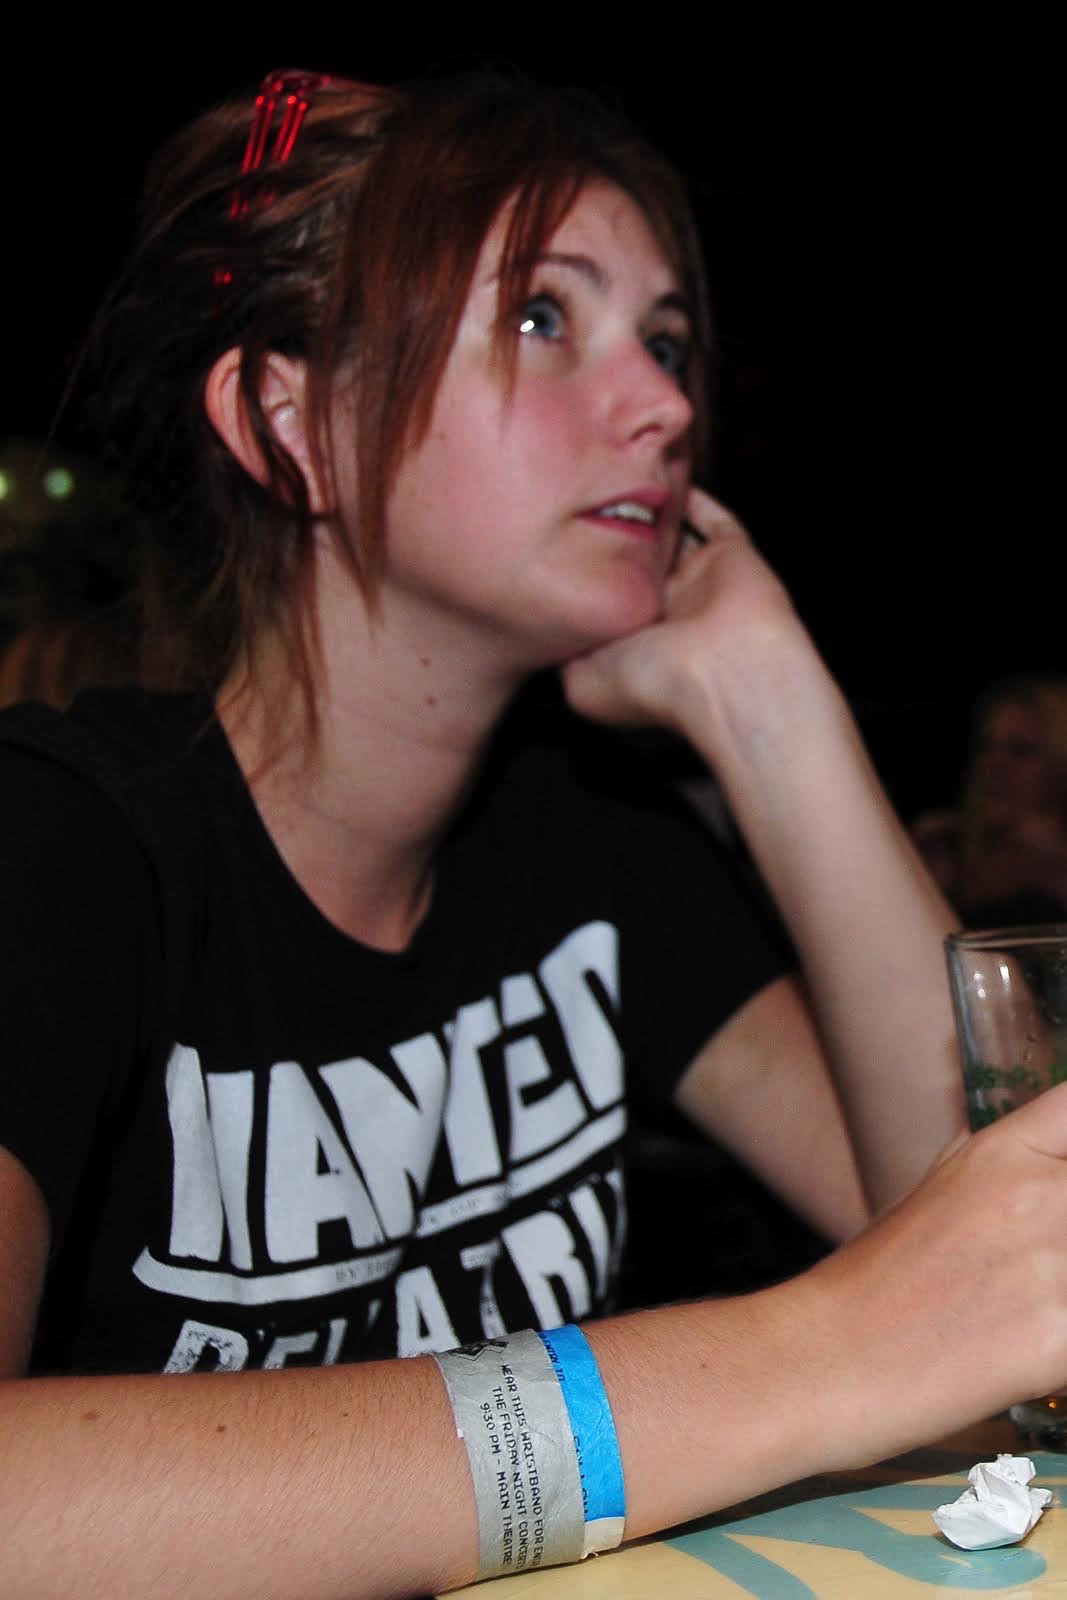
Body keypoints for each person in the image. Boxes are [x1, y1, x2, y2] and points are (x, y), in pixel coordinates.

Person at [4, 65, 1067, 1600]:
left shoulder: (587, 851)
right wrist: (816, 1347)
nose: (665, 405)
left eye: (665, 338)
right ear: (285, 417)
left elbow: (998, 1256)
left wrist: (765, 700)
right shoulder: (60, 845)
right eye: (538, 317)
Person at [913, 673, 1067, 926]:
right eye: (987, 746)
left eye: (1020, 751)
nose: (993, 765)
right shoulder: (951, 851)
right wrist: (917, 877)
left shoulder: (1054, 866)